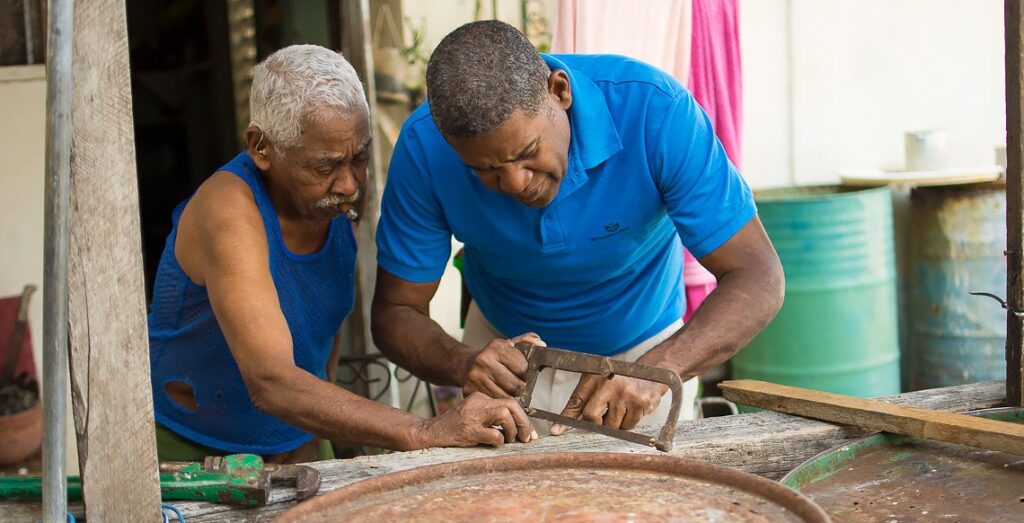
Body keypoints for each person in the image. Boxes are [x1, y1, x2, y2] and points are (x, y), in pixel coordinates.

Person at [371, 21, 784, 435]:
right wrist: (462, 362)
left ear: (560, 91)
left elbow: (758, 275)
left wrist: (657, 370)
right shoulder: (425, 146)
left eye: (528, 153)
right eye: (485, 170)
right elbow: (396, 311)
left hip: (645, 352)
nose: (515, 183)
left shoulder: (655, 111)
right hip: (504, 359)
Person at [148, 44, 533, 463]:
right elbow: (271, 381)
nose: (349, 184)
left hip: (296, 439)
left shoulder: (336, 204)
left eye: (361, 158)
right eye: (325, 166)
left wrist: (310, 439)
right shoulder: (228, 209)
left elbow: (320, 331)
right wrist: (424, 430)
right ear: (261, 147)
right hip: (190, 451)